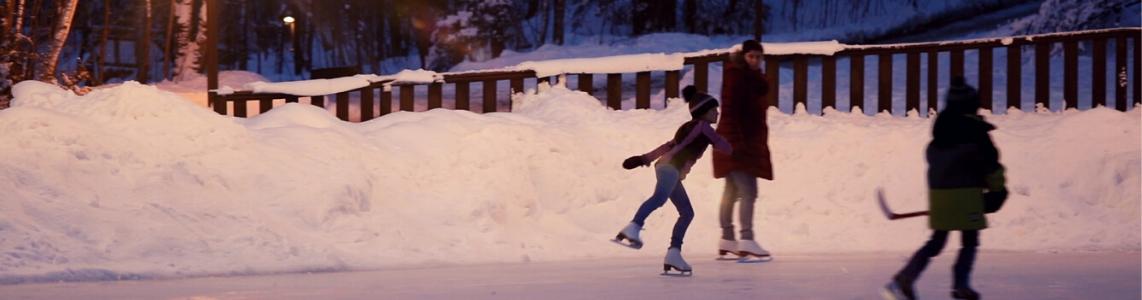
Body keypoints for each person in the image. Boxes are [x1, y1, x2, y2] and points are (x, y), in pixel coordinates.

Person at [882, 76, 1008, 300]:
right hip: (967, 198)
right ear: (972, 103)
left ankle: (904, 278)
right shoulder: (977, 133)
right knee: (969, 242)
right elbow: (991, 167)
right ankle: (960, 285)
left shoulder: (939, 135)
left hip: (940, 198)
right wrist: (998, 191)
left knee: (936, 242)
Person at [614, 88, 733, 275]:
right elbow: (725, 148)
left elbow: (668, 145)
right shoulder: (704, 127)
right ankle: (633, 227)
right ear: (703, 113)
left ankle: (674, 253)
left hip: (668, 168)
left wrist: (643, 159)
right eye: (713, 110)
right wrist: (728, 139)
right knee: (660, 198)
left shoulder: (688, 128)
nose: (717, 113)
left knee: (687, 213)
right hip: (670, 168)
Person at [711, 39, 774, 260]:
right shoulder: (737, 77)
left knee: (732, 192)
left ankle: (728, 239)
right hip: (736, 143)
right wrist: (734, 146)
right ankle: (746, 238)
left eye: (759, 56)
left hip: (739, 142)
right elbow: (729, 112)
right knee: (748, 191)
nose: (755, 60)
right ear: (744, 57)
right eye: (751, 56)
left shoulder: (751, 78)